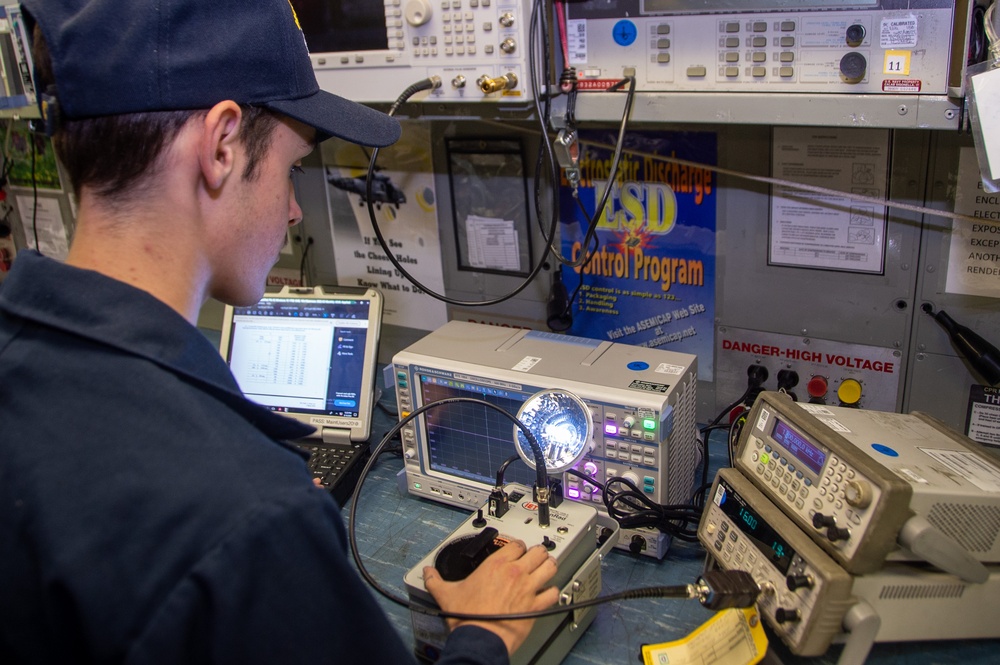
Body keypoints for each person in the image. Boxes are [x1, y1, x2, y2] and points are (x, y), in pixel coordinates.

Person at [0, 1, 559, 663]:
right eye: (293, 168)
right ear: (221, 146)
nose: (294, 209)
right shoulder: (248, 516)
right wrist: (482, 636)